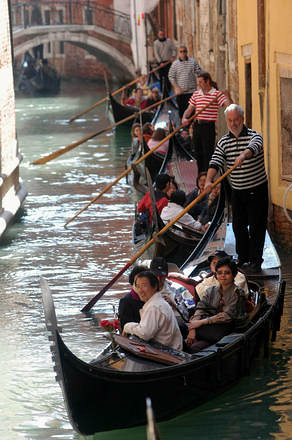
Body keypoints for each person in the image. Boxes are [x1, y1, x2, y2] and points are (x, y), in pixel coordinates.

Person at [205, 104, 269, 274]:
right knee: (238, 227)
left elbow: (254, 148)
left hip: (257, 189)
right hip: (237, 191)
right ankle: (243, 259)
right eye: (230, 120)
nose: (233, 123)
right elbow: (215, 161)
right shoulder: (223, 142)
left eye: (236, 120)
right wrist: (208, 181)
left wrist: (243, 155)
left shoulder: (254, 136)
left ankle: (256, 261)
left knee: (256, 226)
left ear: (242, 119)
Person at [186, 258, 248, 352]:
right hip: (206, 327)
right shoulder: (210, 290)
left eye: (227, 273)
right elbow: (200, 308)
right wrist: (192, 328)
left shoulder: (238, 293)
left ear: (234, 275)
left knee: (194, 348)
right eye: (219, 273)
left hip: (225, 330)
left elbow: (227, 316)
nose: (223, 275)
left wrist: (200, 323)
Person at [182, 72, 233, 172]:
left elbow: (230, 106)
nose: (199, 84)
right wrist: (184, 118)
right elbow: (188, 111)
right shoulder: (196, 94)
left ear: (207, 81)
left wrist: (228, 95)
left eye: (201, 82)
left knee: (208, 154)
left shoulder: (216, 94)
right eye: (198, 82)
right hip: (197, 126)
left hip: (208, 127)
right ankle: (200, 177)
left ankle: (208, 177)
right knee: (197, 153)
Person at [123, 271, 183, 350]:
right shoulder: (158, 301)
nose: (140, 290)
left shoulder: (154, 306)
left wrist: (127, 326)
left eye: (143, 285)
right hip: (171, 349)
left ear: (154, 286)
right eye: (137, 286)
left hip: (168, 354)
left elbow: (145, 333)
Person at [168, 45, 203, 118]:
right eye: (181, 51)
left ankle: (191, 128)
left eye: (184, 51)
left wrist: (200, 81)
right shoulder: (175, 64)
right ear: (179, 53)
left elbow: (200, 73)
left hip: (191, 92)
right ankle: (184, 128)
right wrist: (177, 88)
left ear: (187, 52)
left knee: (192, 113)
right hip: (180, 93)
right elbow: (171, 77)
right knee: (182, 112)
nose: (183, 53)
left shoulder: (193, 62)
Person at [118, 265, 147, 330]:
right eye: (137, 283)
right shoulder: (126, 301)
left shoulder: (151, 299)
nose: (141, 288)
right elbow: (126, 327)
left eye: (144, 283)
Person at [153, 28, 177, 94]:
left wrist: (173, 57)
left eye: (163, 34)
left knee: (168, 77)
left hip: (168, 62)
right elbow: (156, 53)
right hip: (160, 63)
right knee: (161, 78)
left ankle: (168, 91)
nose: (162, 36)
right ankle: (162, 92)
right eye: (160, 34)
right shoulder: (156, 43)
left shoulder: (169, 41)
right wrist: (160, 62)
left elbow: (174, 49)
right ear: (158, 35)